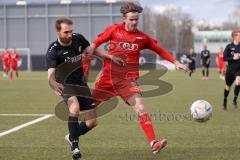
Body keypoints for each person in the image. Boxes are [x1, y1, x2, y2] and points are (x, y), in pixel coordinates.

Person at [87, 2, 189, 154]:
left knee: (140, 107)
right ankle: (74, 136)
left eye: (136, 20)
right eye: (131, 19)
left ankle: (153, 143)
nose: (134, 22)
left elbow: (160, 50)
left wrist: (176, 62)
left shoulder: (142, 38)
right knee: (90, 120)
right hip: (107, 80)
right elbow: (95, 44)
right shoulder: (114, 30)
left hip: (127, 81)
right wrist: (92, 52)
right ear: (124, 19)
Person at [46, 17, 123, 159]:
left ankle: (71, 136)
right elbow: (50, 74)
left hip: (81, 84)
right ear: (58, 31)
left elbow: (91, 50)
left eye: (71, 31)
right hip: (65, 85)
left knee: (92, 122)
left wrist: (109, 56)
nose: (69, 35)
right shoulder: (53, 50)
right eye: (66, 32)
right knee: (74, 107)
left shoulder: (78, 39)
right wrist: (54, 84)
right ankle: (75, 147)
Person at [223, 30, 240, 110]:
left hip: (238, 69)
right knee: (228, 86)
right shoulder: (229, 46)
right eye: (239, 36)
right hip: (230, 70)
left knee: (238, 82)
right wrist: (233, 58)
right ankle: (225, 100)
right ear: (234, 37)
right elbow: (224, 58)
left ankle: (234, 100)